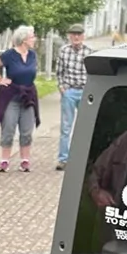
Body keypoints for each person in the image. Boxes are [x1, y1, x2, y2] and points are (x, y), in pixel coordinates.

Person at [0, 25, 42, 172]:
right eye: (32, 37)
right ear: (24, 40)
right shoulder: (9, 55)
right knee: (8, 128)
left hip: (28, 96)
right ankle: (4, 160)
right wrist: (0, 80)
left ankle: (25, 161)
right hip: (12, 96)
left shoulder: (32, 55)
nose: (34, 39)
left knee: (26, 130)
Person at [53, 24, 90, 172]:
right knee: (66, 127)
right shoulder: (64, 51)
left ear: (83, 36)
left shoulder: (89, 52)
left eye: (79, 34)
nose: (76, 37)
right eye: (73, 34)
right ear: (69, 36)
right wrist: (62, 87)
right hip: (69, 91)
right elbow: (59, 72)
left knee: (85, 126)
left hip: (84, 91)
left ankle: (83, 159)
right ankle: (63, 159)